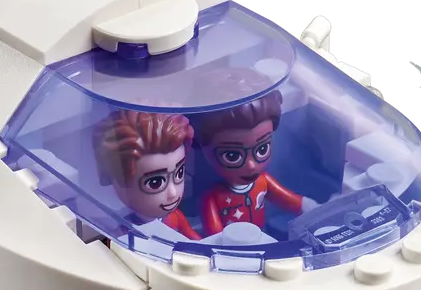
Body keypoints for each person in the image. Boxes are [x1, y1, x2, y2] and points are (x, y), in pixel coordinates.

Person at [191, 68, 318, 236]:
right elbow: (215, 235)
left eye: (262, 149)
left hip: (263, 238)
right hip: (232, 248)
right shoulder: (213, 199)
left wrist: (313, 208)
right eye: (232, 156)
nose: (251, 165)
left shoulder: (263, 182)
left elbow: (290, 200)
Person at [93, 109, 201, 240]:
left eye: (179, 173)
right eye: (155, 183)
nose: (173, 193)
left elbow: (194, 239)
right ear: (116, 180)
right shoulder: (126, 230)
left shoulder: (175, 217)